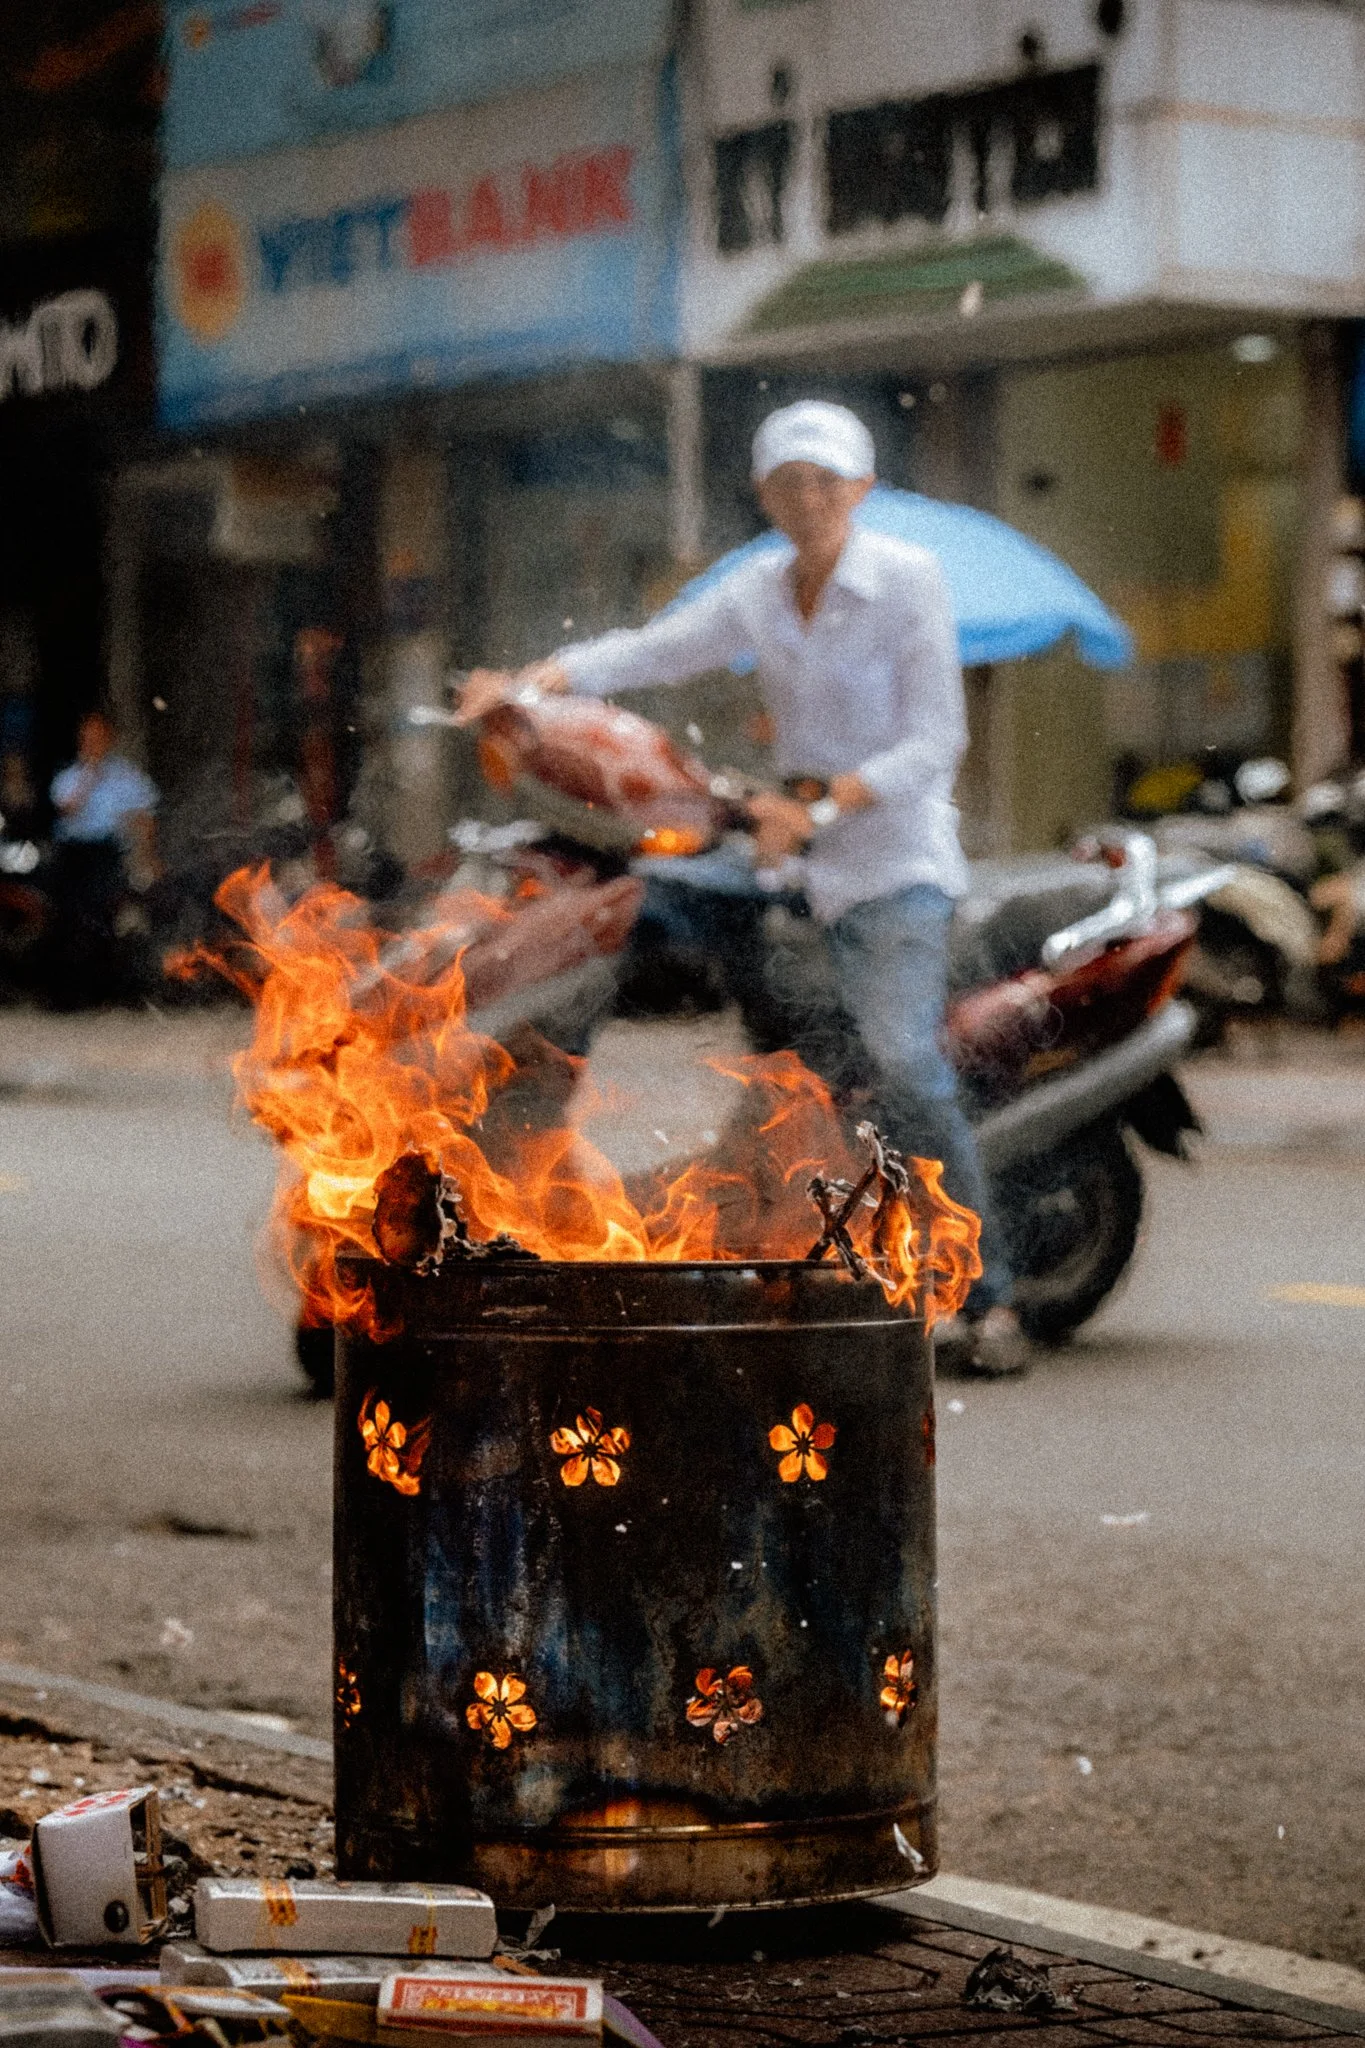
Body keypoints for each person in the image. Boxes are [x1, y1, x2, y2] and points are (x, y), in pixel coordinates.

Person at [458, 400, 1025, 1375]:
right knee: (628, 907)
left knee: (901, 1061)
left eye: (826, 481)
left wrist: (821, 805)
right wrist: (531, 684)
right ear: (763, 494)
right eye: (788, 482)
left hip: (892, 866)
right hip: (785, 852)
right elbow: (653, 650)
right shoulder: (759, 589)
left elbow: (937, 740)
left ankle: (992, 1299)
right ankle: (539, 1163)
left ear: (861, 489)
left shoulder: (906, 582)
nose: (808, 498)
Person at [47, 711, 159, 1006]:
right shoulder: (68, 776)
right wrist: (90, 775)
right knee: (70, 919)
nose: (92, 743)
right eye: (87, 738)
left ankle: (105, 991)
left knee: (104, 917)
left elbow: (146, 818)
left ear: (110, 740)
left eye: (98, 737)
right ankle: (68, 994)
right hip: (74, 854)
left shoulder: (127, 777)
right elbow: (67, 809)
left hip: (108, 855)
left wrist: (147, 856)